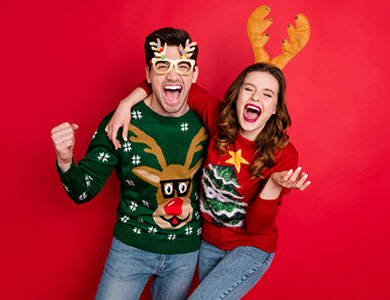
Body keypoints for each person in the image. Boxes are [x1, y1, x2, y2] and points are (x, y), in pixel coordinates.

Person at [106, 62, 311, 299]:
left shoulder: (284, 154)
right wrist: (126, 104)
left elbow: (255, 226)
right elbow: (175, 84)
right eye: (249, 89)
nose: (256, 97)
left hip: (250, 247)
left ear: (275, 108)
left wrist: (274, 184)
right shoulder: (218, 118)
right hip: (209, 243)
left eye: (267, 94)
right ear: (237, 96)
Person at [50, 27, 208, 300]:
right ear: (148, 74)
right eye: (162, 66)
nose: (173, 75)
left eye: (183, 66)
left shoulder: (210, 121)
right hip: (130, 249)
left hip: (185, 252)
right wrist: (65, 161)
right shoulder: (121, 122)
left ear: (194, 74)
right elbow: (82, 191)